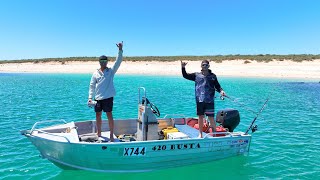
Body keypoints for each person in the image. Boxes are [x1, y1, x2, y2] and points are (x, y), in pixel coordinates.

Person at [88, 41, 123, 142]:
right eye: (101, 60)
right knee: (98, 115)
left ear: (107, 61)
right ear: (99, 62)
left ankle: (111, 135)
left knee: (109, 115)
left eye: (105, 60)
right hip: (97, 99)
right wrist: (90, 97)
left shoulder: (111, 71)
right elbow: (92, 86)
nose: (103, 62)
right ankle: (99, 133)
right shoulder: (95, 73)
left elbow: (118, 61)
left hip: (108, 98)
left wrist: (120, 50)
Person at [181, 60, 226, 138]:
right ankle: (200, 134)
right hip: (200, 100)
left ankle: (215, 134)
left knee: (211, 117)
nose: (204, 66)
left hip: (210, 100)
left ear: (208, 66)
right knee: (200, 117)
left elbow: (217, 86)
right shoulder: (197, 75)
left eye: (206, 65)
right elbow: (186, 76)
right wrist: (183, 68)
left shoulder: (213, 76)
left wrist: (221, 91)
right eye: (203, 65)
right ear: (201, 66)